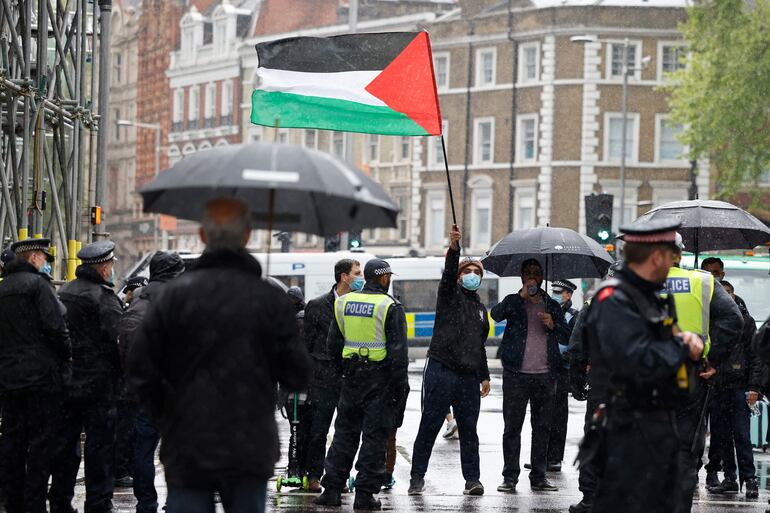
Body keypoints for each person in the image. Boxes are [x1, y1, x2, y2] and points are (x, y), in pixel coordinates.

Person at [128, 198, 312, 513]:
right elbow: (298, 374)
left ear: (202, 236)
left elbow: (140, 369)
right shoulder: (269, 300)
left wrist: (168, 414)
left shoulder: (173, 297)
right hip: (249, 446)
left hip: (187, 443)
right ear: (246, 236)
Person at [581, 219, 705, 513]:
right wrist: (681, 346)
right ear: (657, 257)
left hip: (656, 428)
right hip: (628, 432)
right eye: (673, 257)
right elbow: (634, 362)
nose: (674, 265)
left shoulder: (649, 298)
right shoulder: (615, 299)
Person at [315, 258, 409, 511]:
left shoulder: (344, 302)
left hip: (351, 377)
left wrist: (343, 372)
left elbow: (333, 345)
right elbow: (399, 354)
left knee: (344, 435)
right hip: (380, 380)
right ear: (384, 278)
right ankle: (365, 494)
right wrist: (399, 388)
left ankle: (332, 489)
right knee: (374, 439)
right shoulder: (389, 306)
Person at [408, 224, 491, 496]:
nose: (471, 276)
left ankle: (473, 480)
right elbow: (446, 276)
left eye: (476, 273)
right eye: (467, 272)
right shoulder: (449, 297)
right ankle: (417, 477)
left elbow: (479, 346)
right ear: (458, 277)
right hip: (441, 371)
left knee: (470, 431)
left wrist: (484, 375)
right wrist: (454, 249)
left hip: (468, 378)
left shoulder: (481, 309)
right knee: (429, 426)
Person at [665, 235, 742, 513]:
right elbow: (734, 320)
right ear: (678, 254)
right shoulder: (702, 281)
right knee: (685, 449)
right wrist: (712, 357)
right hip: (690, 373)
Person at [49, 240, 124, 513]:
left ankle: (59, 501)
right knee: (100, 448)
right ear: (104, 268)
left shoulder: (64, 292)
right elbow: (118, 343)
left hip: (67, 383)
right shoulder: (105, 299)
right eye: (111, 265)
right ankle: (99, 503)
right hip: (99, 387)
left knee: (66, 447)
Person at [0, 238, 71, 513]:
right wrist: (67, 354)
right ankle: (34, 505)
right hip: (41, 380)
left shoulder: (4, 289)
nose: (46, 262)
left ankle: (13, 503)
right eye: (44, 256)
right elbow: (56, 328)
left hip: (9, 380)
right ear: (33, 259)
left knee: (13, 445)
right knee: (41, 448)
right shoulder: (39, 287)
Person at [490, 258, 567, 492]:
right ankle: (510, 477)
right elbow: (495, 314)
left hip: (545, 376)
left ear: (542, 277)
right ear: (522, 277)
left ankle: (539, 475)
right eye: (528, 273)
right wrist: (521, 297)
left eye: (536, 273)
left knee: (542, 428)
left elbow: (566, 335)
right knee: (512, 427)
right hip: (516, 375)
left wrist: (553, 323)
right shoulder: (514, 301)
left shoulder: (551, 304)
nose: (532, 277)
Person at [118, 251, 185, 513]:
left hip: (146, 392)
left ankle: (146, 503)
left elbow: (125, 344)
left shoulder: (138, 303)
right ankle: (175, 502)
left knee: (143, 451)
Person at [565, 262, 621, 513]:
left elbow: (577, 348)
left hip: (601, 382)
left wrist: (576, 382)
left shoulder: (592, 306)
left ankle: (590, 496)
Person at [304, 258, 362, 493]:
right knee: (318, 430)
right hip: (323, 379)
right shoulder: (317, 306)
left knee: (346, 433)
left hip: (350, 377)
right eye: (357, 273)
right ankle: (314, 475)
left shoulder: (359, 304)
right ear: (343, 277)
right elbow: (305, 345)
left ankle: (337, 477)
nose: (361, 278)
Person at [705, 280, 760, 498]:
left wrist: (754, 387)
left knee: (742, 435)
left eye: (728, 293)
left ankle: (750, 480)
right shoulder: (712, 319)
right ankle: (730, 478)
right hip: (717, 385)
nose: (725, 298)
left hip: (739, 386)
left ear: (734, 294)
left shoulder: (746, 322)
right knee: (721, 435)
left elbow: (755, 356)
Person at [544, 279, 579, 471]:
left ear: (568, 294)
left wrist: (555, 324)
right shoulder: (546, 310)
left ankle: (555, 457)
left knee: (558, 415)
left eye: (559, 292)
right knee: (541, 415)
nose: (555, 294)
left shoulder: (573, 316)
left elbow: (572, 339)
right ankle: (540, 455)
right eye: (554, 291)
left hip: (562, 369)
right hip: (543, 367)